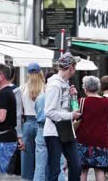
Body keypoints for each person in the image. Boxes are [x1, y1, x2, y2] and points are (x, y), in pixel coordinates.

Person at [44, 53, 82, 181]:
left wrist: (74, 98)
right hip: (53, 131)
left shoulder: (66, 83)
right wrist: (71, 115)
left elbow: (75, 110)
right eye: (75, 67)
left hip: (66, 129)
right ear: (70, 67)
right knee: (54, 169)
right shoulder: (55, 85)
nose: (75, 70)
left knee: (76, 166)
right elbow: (49, 112)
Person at [76, 76, 108, 181]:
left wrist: (73, 96)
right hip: (101, 140)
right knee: (100, 170)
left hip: (83, 140)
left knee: (83, 170)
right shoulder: (106, 102)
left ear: (85, 88)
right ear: (98, 87)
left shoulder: (81, 101)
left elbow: (75, 114)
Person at [34, 68, 66, 181]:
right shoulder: (60, 95)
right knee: (58, 164)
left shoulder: (40, 97)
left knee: (40, 166)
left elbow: (36, 113)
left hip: (41, 129)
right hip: (56, 129)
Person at [20, 63, 44, 180]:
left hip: (27, 124)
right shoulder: (45, 88)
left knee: (26, 160)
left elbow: (19, 110)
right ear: (40, 72)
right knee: (42, 160)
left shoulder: (22, 88)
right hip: (42, 125)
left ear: (28, 74)